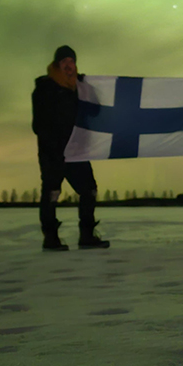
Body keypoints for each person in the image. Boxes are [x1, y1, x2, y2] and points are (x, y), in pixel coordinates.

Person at [32, 45, 110, 251]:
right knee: (52, 193)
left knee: (89, 190)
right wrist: (52, 147)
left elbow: (95, 111)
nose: (69, 65)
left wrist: (87, 88)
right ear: (57, 64)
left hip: (77, 151)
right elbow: (38, 125)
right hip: (53, 152)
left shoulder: (79, 89)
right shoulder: (45, 88)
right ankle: (51, 239)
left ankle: (87, 236)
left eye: (72, 61)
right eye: (64, 61)